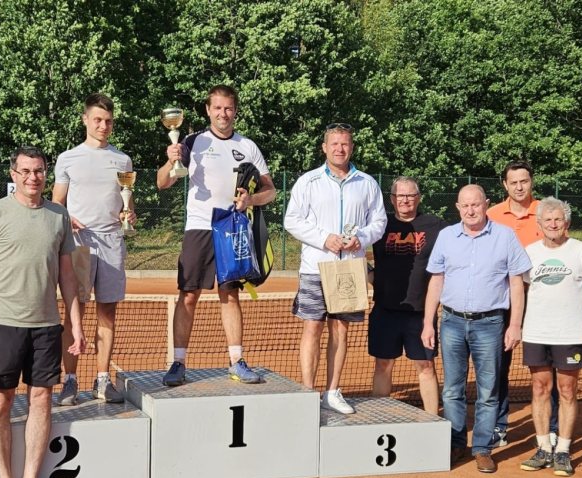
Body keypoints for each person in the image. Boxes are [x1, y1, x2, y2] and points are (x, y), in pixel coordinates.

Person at [0, 146, 85, 478]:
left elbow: (67, 275)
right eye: (26, 171)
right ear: (13, 174)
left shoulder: (58, 215)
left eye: (39, 171)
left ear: (46, 174)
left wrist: (76, 323)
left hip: (46, 327)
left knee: (41, 399)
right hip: (2, 324)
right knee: (0, 401)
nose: (33, 177)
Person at [156, 84, 276, 386]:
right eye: (218, 108)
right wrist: (171, 161)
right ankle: (178, 363)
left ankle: (236, 361)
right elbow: (162, 183)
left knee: (230, 294)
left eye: (228, 108)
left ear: (235, 111)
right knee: (189, 294)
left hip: (232, 228)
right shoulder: (192, 141)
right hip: (199, 226)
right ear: (208, 110)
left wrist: (250, 200)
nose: (223, 113)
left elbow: (271, 191)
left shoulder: (248, 146)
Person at [422, 185, 531, 473]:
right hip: (451, 322)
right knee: (452, 390)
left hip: (491, 324)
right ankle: (456, 444)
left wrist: (515, 324)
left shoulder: (505, 236)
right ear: (458, 208)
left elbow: (516, 283)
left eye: (476, 204)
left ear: (486, 204)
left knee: (488, 391)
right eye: (465, 205)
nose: (471, 210)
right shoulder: (446, 236)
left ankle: (482, 448)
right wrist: (428, 322)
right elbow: (436, 280)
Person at [284, 123, 386, 414]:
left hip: (349, 270)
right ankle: (308, 393)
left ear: (351, 147)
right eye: (334, 144)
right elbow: (292, 220)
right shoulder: (308, 181)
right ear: (324, 148)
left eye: (345, 144)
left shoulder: (367, 183)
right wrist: (324, 239)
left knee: (340, 330)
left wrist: (361, 238)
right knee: (312, 327)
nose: (340, 149)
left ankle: (332, 392)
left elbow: (379, 222)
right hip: (315, 268)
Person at [53, 93, 134, 405]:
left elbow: (127, 201)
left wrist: (130, 213)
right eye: (98, 120)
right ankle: (70, 381)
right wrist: (67, 218)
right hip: (79, 244)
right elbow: (57, 203)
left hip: (112, 241)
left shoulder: (123, 160)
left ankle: (102, 380)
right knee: (74, 312)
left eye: (108, 121)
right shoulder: (68, 158)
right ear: (85, 120)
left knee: (108, 313)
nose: (103, 126)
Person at [519, 198, 582, 476]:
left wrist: (573, 318)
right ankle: (543, 447)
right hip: (536, 333)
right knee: (540, 388)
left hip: (570, 335)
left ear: (566, 222)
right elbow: (523, 291)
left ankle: (563, 450)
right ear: (539, 224)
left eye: (558, 219)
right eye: (548, 220)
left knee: (567, 390)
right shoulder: (530, 252)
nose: (553, 224)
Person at [486, 159, 556, 447]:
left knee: (544, 368)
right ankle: (498, 426)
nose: (519, 187)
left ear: (532, 181)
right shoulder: (491, 214)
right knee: (498, 366)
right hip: (501, 302)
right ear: (505, 185)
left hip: (541, 302)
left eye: (524, 181)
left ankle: (552, 428)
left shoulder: (546, 212)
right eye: (513, 182)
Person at [369, 177, 446, 414]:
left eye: (410, 195)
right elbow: (353, 249)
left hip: (420, 314)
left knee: (425, 366)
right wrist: (371, 277)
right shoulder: (379, 225)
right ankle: (378, 417)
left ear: (418, 197)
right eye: (400, 195)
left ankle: (432, 421)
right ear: (392, 199)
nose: (405, 200)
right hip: (385, 311)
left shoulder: (436, 226)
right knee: (383, 364)